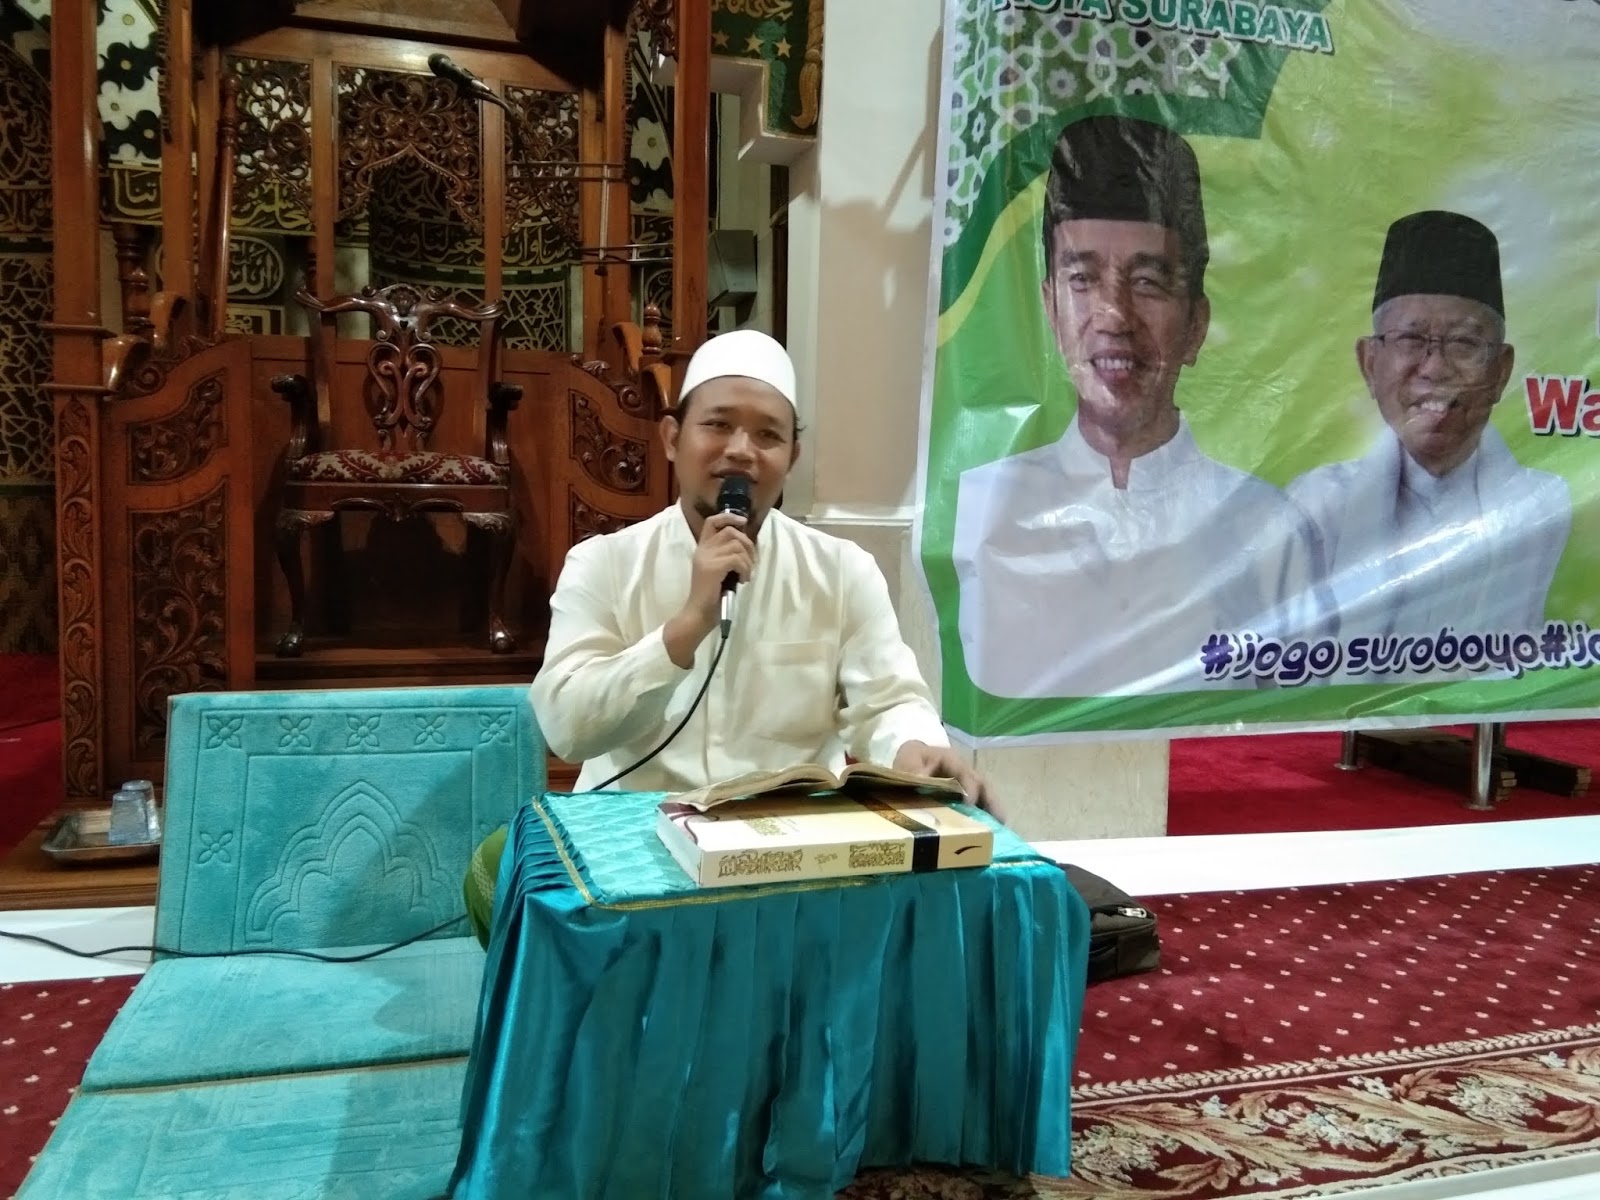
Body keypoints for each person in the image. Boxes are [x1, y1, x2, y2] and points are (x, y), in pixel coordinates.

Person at [465, 329, 990, 943]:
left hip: (790, 850)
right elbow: (568, 727)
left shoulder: (843, 571)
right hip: (638, 844)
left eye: (768, 435)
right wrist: (685, 627)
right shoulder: (603, 564)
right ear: (672, 438)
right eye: (718, 425)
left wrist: (915, 748)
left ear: (792, 457)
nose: (741, 451)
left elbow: (889, 700)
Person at [950, 114, 1330, 698]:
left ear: (1196, 324)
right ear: (1051, 309)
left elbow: (1296, 717)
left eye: (1148, 282)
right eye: (1083, 279)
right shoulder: (983, 506)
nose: (1114, 316)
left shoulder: (1271, 528)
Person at [1288, 210, 1570, 645]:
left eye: (1464, 343)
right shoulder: (1316, 506)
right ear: (1369, 363)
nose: (1435, 367)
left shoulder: (1542, 505)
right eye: (1411, 340)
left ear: (1501, 370)